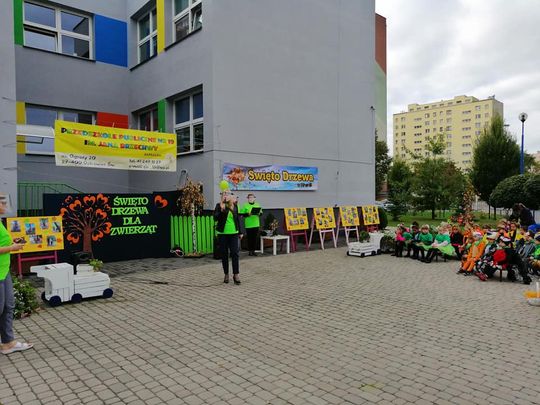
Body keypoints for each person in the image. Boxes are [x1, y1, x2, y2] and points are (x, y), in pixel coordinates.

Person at [0, 194, 33, 355]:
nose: (5, 205)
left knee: (8, 306)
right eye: (2, 202)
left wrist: (13, 242)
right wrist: (12, 248)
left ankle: (8, 343)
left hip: (4, 270)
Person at [214, 191, 243, 285]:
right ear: (222, 197)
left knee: (235, 253)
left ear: (230, 196)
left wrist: (240, 232)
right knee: (224, 254)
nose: (225, 196)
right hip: (222, 234)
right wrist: (221, 210)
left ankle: (236, 274)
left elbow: (237, 219)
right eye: (224, 194)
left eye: (227, 194)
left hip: (234, 233)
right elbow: (215, 218)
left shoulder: (235, 206)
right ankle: (226, 274)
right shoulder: (218, 206)